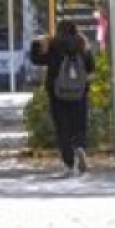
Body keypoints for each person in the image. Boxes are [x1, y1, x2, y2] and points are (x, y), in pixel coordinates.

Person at [31, 20, 95, 175]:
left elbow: (36, 60)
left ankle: (69, 163)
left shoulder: (54, 45)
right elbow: (91, 68)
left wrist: (36, 44)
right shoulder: (82, 45)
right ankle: (80, 146)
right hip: (79, 92)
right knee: (79, 123)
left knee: (62, 127)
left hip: (57, 93)